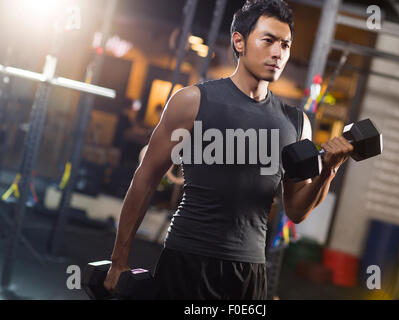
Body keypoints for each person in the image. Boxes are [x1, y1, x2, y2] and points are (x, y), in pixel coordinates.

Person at [104, 0, 353, 300]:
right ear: (239, 41)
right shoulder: (192, 102)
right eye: (269, 40)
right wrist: (119, 261)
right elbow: (145, 179)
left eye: (285, 45)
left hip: (249, 274)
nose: (278, 52)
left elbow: (297, 211)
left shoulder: (297, 124)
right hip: (186, 261)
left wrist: (329, 169)